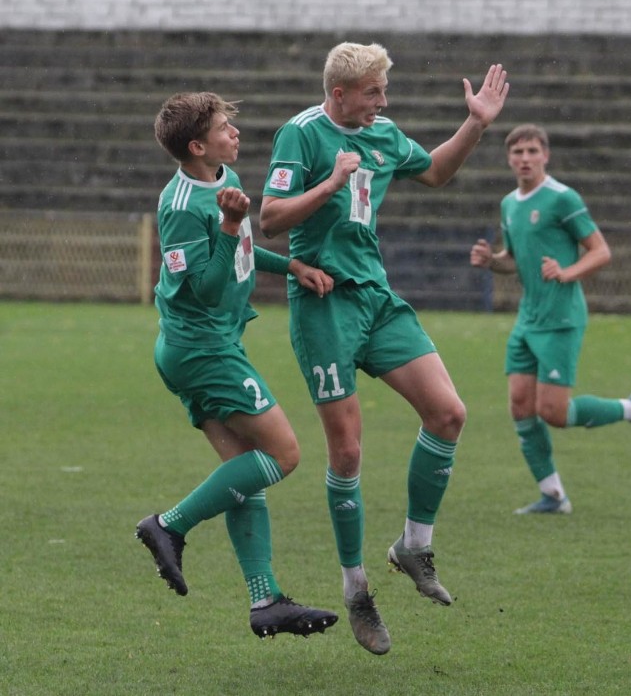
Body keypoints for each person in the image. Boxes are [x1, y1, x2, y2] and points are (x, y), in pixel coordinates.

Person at [258, 42, 509, 655]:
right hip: (325, 306)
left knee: (448, 412)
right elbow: (269, 218)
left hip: (377, 297)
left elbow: (437, 171)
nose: (384, 101)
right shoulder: (302, 135)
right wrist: (331, 183)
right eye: (374, 92)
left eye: (384, 91)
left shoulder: (385, 132)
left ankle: (414, 546)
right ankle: (355, 588)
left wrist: (475, 123)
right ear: (340, 93)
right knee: (346, 452)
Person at [135, 92, 339, 640]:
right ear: (197, 146)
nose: (236, 133)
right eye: (226, 127)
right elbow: (205, 286)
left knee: (245, 476)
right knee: (285, 453)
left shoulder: (219, 182)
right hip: (201, 349)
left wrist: (289, 263)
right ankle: (168, 525)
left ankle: (264, 598)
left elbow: (244, 247)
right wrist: (228, 225)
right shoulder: (182, 205)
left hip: (206, 345)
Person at [469, 124, 631, 515]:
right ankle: (554, 496)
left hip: (562, 317)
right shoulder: (509, 203)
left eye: (532, 151)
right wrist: (492, 262)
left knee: (554, 414)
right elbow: (513, 259)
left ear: (546, 155)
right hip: (528, 318)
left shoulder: (563, 198)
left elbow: (600, 251)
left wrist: (567, 272)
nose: (525, 158)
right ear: (509, 159)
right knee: (520, 405)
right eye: (518, 152)